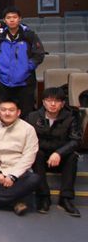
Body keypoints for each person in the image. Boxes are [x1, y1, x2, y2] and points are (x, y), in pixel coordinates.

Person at [26, 87, 82, 217]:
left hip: (61, 157)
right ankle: (43, 197)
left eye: (57, 101)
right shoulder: (33, 117)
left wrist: (59, 153)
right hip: (41, 156)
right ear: (43, 102)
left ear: (62, 103)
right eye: (49, 100)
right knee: (36, 154)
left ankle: (66, 198)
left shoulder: (71, 117)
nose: (52, 104)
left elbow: (76, 140)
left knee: (72, 156)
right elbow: (28, 139)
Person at [0, 7, 45, 118]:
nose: (12, 20)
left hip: (25, 83)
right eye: (8, 18)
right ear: (4, 20)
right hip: (4, 83)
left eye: (14, 17)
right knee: (6, 114)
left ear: (20, 19)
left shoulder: (29, 35)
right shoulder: (0, 38)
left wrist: (27, 67)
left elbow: (39, 54)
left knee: (25, 115)